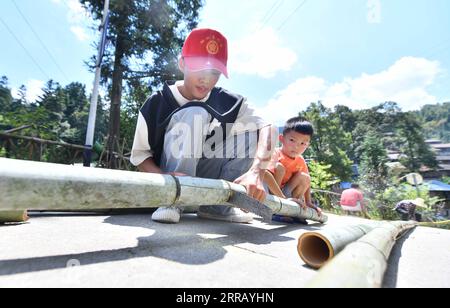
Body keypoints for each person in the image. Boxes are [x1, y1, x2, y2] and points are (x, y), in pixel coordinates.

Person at [130, 28, 276, 224]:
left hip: (205, 175)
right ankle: (172, 202)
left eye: (214, 72)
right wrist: (163, 177)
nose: (206, 78)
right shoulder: (156, 103)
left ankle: (218, 208)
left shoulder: (230, 101)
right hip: (169, 179)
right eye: (199, 67)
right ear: (182, 63)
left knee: (253, 133)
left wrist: (256, 172)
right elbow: (140, 156)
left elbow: (269, 128)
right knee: (195, 112)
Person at [263, 117, 322, 221]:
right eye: (292, 140)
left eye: (303, 143)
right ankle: (274, 210)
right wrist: (282, 198)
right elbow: (265, 174)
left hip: (286, 193)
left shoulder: (300, 159)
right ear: (281, 139)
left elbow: (307, 182)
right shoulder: (275, 153)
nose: (296, 146)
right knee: (279, 167)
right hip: (271, 193)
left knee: (304, 177)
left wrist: (308, 202)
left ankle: (294, 209)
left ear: (308, 145)